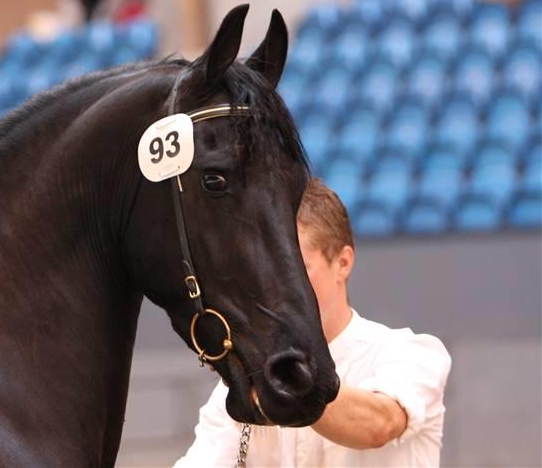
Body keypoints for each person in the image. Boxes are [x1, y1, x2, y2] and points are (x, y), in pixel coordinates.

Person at [175, 179, 452, 467]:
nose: (277, 288)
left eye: (296, 268)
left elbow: (379, 424)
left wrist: (283, 386)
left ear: (343, 263)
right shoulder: (250, 376)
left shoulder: (411, 353)